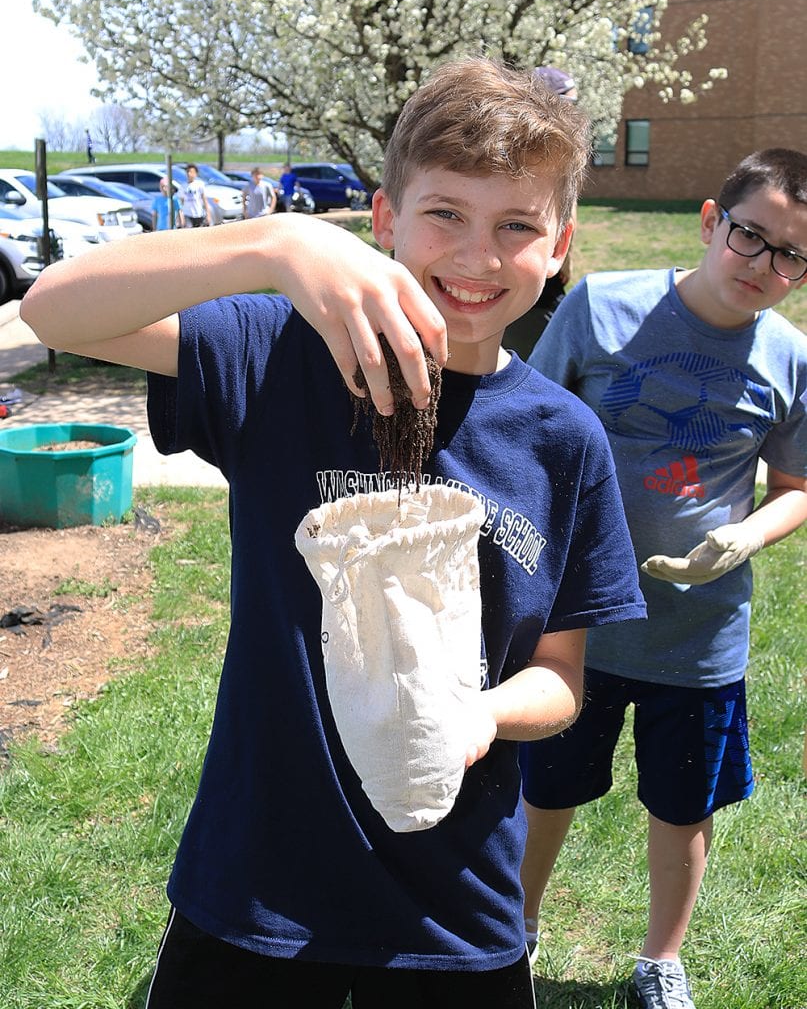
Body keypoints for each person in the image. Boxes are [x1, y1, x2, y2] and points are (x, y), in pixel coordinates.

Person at [20, 57, 647, 1009]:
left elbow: (561, 677)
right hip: (260, 882)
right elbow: (52, 309)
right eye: (445, 214)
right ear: (384, 221)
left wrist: (479, 716)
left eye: (515, 226)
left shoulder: (564, 442)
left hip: (456, 908)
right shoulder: (279, 360)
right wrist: (274, 244)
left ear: (558, 245)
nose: (478, 257)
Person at [520, 148, 807, 1008]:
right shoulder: (601, 309)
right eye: (751, 238)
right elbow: (526, 428)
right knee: (547, 789)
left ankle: (660, 960)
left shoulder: (789, 360)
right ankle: (514, 933)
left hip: (698, 635)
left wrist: (744, 536)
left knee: (683, 810)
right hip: (577, 619)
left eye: (791, 255)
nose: (765, 267)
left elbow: (795, 489)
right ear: (711, 221)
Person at [503, 66, 578, 360]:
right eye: (568, 106)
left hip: (550, 285)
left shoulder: (561, 159)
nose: (574, 117)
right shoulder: (525, 166)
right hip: (532, 301)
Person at [182, 163, 211, 227]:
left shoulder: (199, 184)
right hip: (187, 214)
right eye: (188, 172)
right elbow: (181, 202)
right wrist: (181, 216)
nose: (189, 174)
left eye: (191, 172)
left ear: (196, 174)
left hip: (198, 214)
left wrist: (208, 215)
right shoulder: (183, 186)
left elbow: (204, 200)